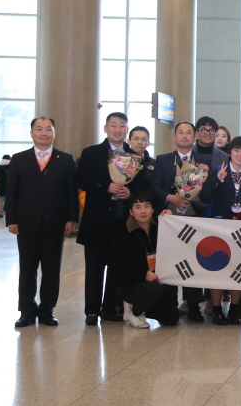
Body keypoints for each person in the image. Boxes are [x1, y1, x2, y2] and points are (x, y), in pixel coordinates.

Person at [77, 111, 149, 325]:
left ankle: (110, 308)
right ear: (106, 128)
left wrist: (130, 194)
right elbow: (81, 179)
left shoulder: (134, 155)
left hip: (122, 223)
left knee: (117, 268)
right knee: (94, 268)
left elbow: (142, 184)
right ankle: (91, 310)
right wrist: (105, 186)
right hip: (96, 221)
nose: (118, 129)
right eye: (114, 125)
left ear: (127, 130)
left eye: (122, 126)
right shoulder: (91, 153)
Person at [5, 117, 78, 327]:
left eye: (48, 129)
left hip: (55, 224)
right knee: (27, 269)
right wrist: (12, 220)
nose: (44, 133)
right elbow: (12, 192)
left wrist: (71, 218)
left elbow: (71, 192)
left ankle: (47, 310)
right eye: (39, 129)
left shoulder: (65, 159)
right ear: (31, 133)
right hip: (27, 223)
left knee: (51, 269)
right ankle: (26, 310)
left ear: (54, 133)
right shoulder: (19, 159)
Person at [148, 121, 208, 321]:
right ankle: (169, 304)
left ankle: (193, 305)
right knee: (170, 260)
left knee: (193, 260)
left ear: (195, 137)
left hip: (193, 218)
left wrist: (205, 180)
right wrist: (169, 197)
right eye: (180, 132)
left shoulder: (202, 161)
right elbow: (154, 184)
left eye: (188, 133)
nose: (184, 136)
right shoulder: (163, 159)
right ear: (175, 137)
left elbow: (207, 193)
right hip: (168, 219)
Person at [199, 137, 241, 325]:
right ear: (229, 152)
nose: (240, 155)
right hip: (219, 228)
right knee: (217, 269)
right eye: (236, 150)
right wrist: (218, 180)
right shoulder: (218, 171)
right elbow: (204, 197)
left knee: (238, 270)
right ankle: (216, 310)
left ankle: (235, 308)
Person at [115, 194, 179, 328]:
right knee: (153, 288)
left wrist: (173, 220)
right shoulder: (122, 233)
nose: (143, 211)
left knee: (171, 318)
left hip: (155, 282)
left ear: (153, 210)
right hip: (132, 283)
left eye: (146, 206)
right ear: (131, 212)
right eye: (138, 207)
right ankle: (132, 312)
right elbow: (120, 265)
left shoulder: (159, 228)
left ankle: (144, 308)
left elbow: (176, 242)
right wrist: (143, 273)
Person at [0, 154, 9, 218]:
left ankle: (0, 212)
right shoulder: (11, 165)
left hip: (0, 185)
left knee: (1, 199)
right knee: (10, 199)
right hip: (9, 184)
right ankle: (8, 212)